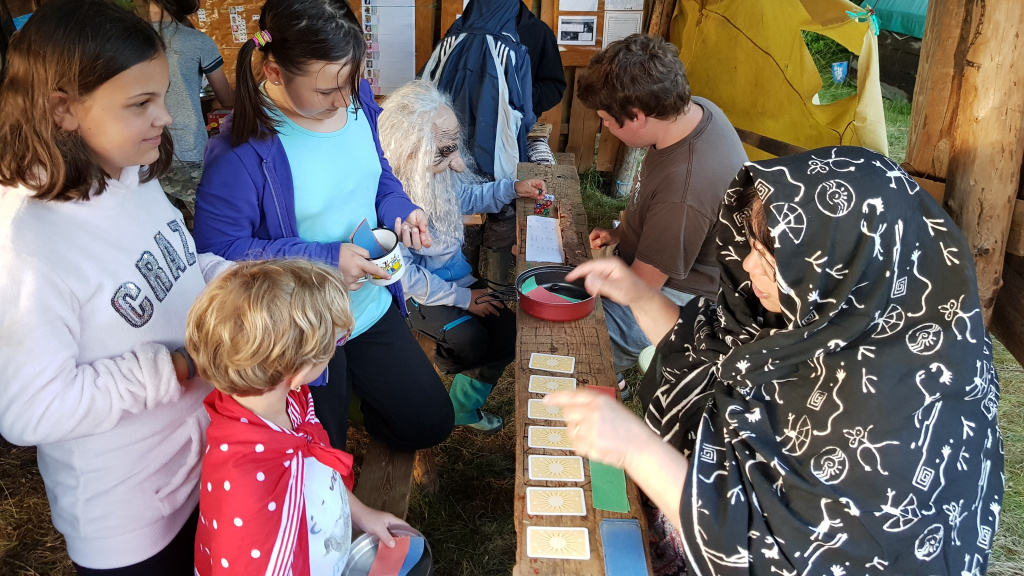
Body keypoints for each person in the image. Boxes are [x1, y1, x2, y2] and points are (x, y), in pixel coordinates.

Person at [549, 147, 1004, 576]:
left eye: (769, 257)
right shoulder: (830, 315)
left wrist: (637, 449)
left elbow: (770, 556)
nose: (749, 265)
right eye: (753, 246)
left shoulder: (896, 427)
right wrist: (639, 296)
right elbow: (707, 354)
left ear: (844, 267)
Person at [0, 0, 231, 575]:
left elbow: (175, 268)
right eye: (141, 103)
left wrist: (241, 284)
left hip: (204, 460)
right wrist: (176, 368)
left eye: (162, 96)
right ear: (63, 110)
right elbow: (31, 408)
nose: (167, 116)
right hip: (131, 517)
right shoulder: (27, 243)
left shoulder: (130, 172)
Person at [193, 0, 454, 451]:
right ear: (274, 72)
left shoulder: (357, 99)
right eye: (327, 90)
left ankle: (352, 391)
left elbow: (378, 174)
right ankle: (338, 394)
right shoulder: (240, 151)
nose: (344, 100)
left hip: (367, 305)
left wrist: (400, 208)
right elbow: (220, 251)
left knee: (428, 424)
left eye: (351, 82)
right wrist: (325, 259)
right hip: (303, 329)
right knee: (322, 454)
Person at [186, 259, 405, 576]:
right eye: (335, 342)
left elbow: (318, 466)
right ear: (299, 371)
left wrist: (361, 514)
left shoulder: (291, 402)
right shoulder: (248, 481)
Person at [575, 33, 747, 381]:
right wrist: (624, 233)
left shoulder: (684, 190)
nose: (604, 125)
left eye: (606, 118)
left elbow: (642, 288)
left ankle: (603, 375)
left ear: (637, 116)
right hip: (667, 258)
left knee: (575, 340)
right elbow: (654, 200)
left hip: (683, 297)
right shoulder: (693, 111)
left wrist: (582, 281)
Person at [379, 80, 546, 433]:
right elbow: (405, 277)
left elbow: (466, 197)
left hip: (456, 280)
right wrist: (463, 299)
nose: (457, 164)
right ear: (410, 150)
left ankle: (463, 406)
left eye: (455, 147)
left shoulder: (434, 175)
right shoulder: (388, 204)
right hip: (417, 296)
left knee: (507, 329)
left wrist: (511, 189)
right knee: (469, 340)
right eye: (444, 151)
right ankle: (445, 368)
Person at [136, 0, 234, 213]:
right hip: (189, 152)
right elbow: (227, 99)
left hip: (144, 154)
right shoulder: (197, 42)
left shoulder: (129, 39)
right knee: (208, 225)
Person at [423, 0, 534, 181]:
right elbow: (526, 115)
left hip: (446, 157)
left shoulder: (448, 43)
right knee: (493, 196)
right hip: (495, 162)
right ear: (512, 2)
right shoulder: (513, 53)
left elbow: (422, 89)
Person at [471, 0, 566, 118]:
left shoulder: (538, 32)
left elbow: (554, 87)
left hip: (519, 123)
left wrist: (517, 100)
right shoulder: (465, 31)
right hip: (472, 121)